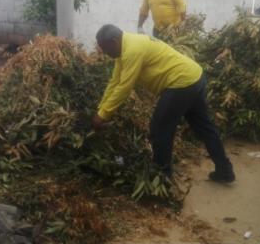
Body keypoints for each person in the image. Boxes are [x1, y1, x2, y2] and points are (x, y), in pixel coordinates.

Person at [92, 24, 235, 183]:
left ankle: (162, 176)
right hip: (194, 77)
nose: (105, 53)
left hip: (181, 83)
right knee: (204, 127)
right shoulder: (125, 47)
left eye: (105, 49)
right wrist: (101, 109)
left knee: (159, 128)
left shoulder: (132, 50)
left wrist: (103, 115)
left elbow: (124, 87)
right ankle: (225, 170)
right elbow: (114, 82)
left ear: (113, 41)